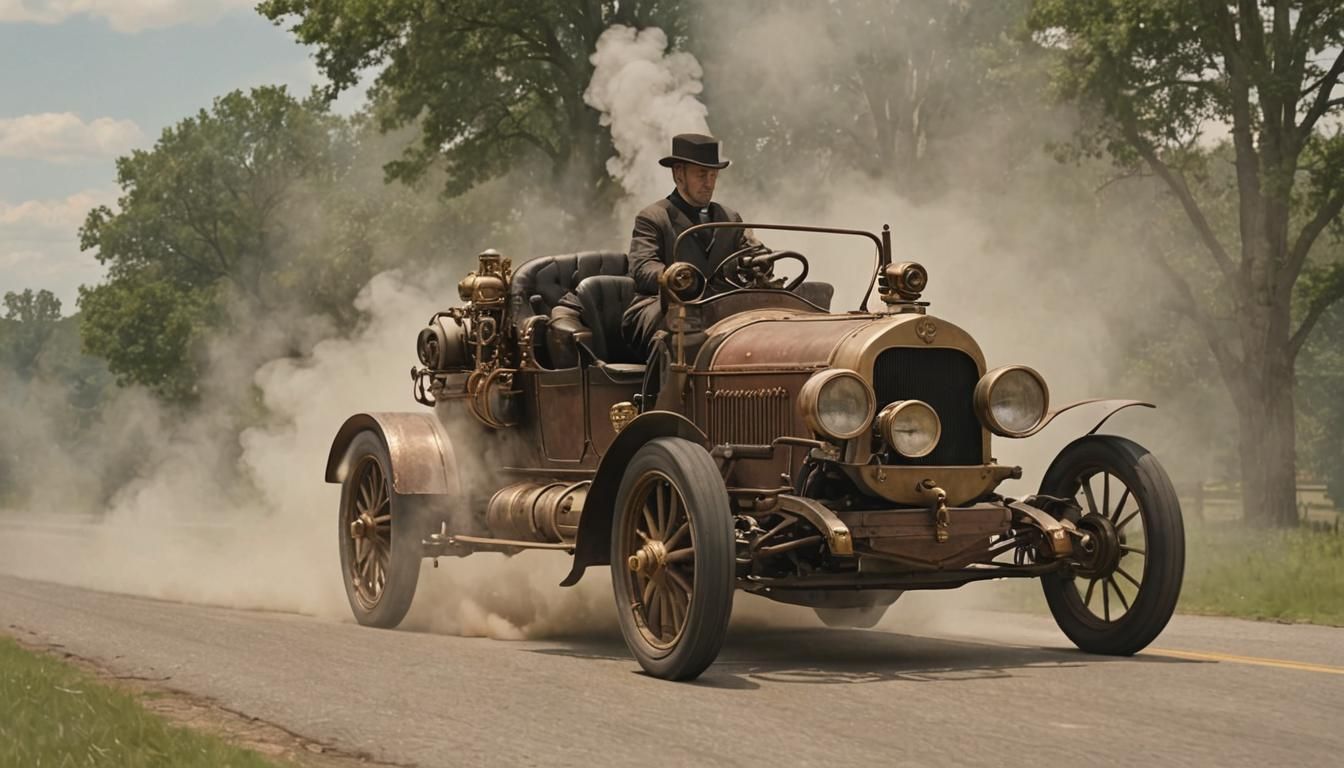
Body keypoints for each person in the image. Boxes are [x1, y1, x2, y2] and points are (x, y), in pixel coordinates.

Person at [619, 133, 760, 358]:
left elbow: (750, 253)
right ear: (678, 174)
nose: (709, 183)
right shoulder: (653, 217)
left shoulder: (730, 218)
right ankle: (671, 393)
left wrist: (758, 262)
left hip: (719, 309)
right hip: (658, 307)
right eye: (702, 174)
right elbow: (642, 268)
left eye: (713, 175)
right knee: (683, 326)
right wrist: (678, 277)